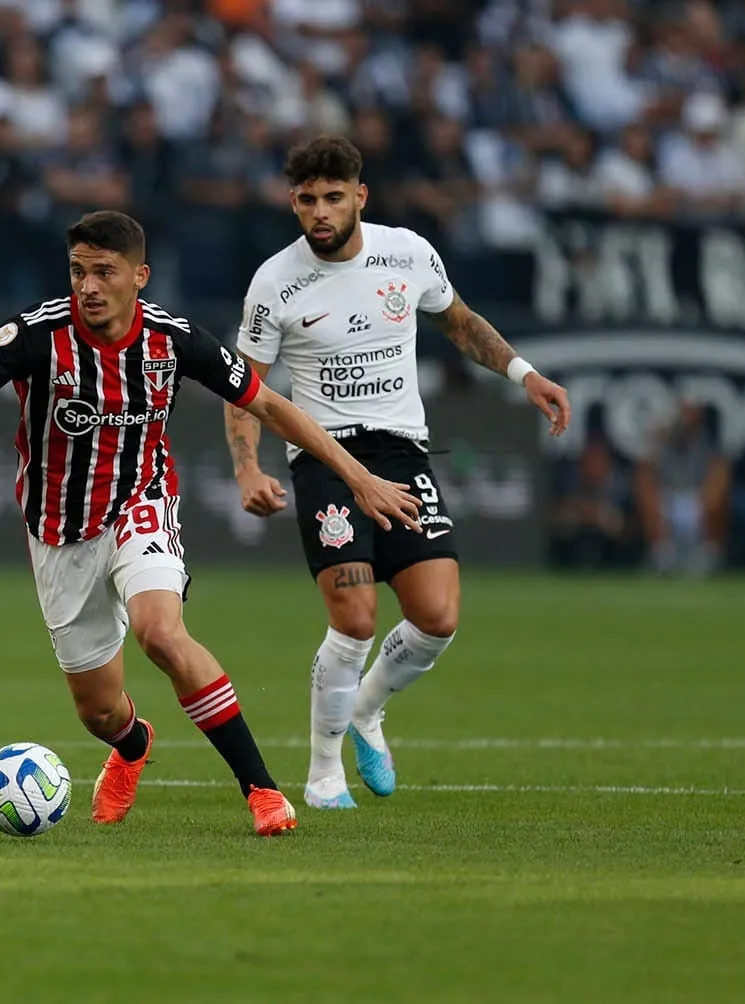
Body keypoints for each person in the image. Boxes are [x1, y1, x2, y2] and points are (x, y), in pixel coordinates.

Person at [0, 210, 423, 837]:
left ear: (140, 276)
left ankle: (263, 791)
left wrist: (358, 477)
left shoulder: (174, 340)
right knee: (99, 710)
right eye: (79, 271)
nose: (89, 286)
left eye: (105, 272)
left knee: (160, 632)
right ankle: (131, 745)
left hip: (141, 503)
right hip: (57, 530)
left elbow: (268, 404)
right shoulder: (34, 335)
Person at [223, 136, 572, 810]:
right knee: (354, 617)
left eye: (332, 197)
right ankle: (324, 774)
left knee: (437, 617)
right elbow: (247, 386)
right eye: (305, 200)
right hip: (327, 459)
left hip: (404, 454)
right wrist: (246, 469)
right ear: (292, 203)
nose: (319, 212)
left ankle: (366, 711)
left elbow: (461, 324)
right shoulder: (275, 282)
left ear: (360, 196)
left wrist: (525, 375)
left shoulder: (407, 253)